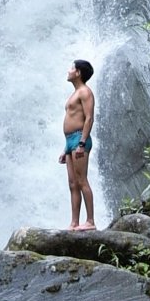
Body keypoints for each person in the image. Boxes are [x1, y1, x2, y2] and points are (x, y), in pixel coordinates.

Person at [60, 59, 96, 229]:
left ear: (78, 72)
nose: (69, 70)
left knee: (82, 181)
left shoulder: (85, 92)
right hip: (70, 142)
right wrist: (65, 149)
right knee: (73, 183)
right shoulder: (74, 93)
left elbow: (89, 118)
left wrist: (81, 143)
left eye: (72, 67)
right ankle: (74, 222)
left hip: (79, 139)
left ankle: (90, 221)